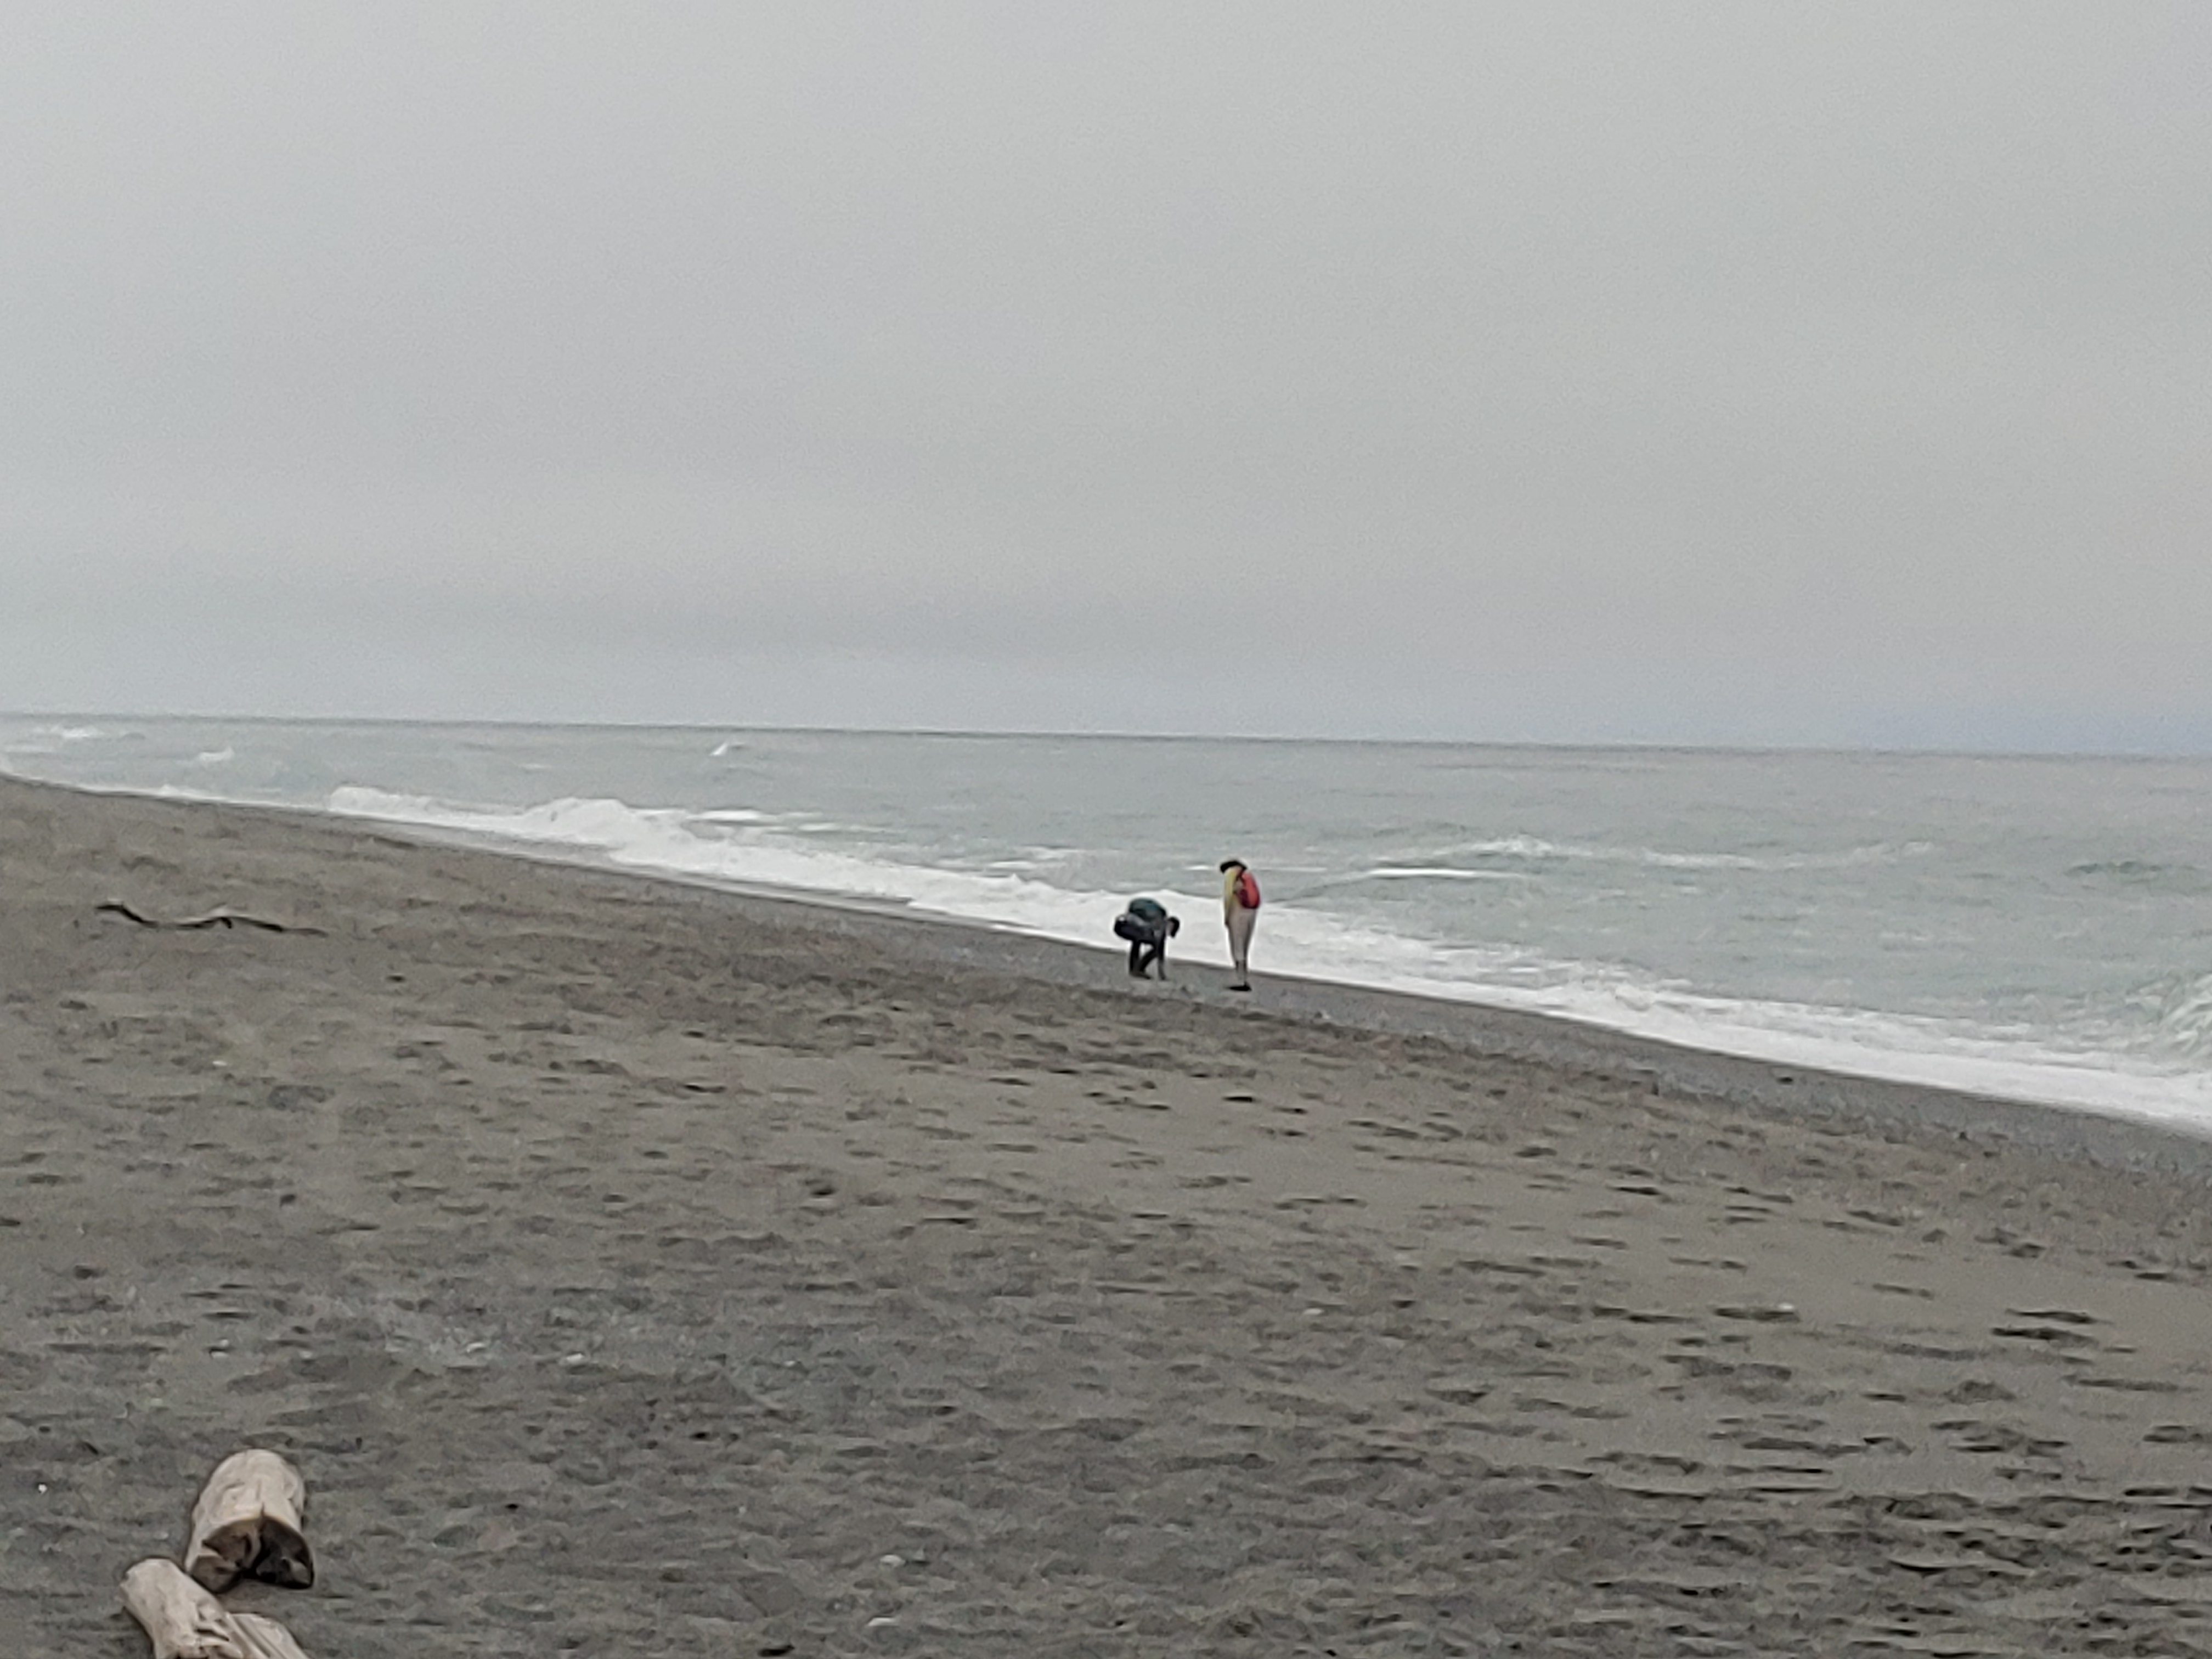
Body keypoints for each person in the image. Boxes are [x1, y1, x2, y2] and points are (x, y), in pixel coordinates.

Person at [1113, 896, 1180, 979]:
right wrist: (1162, 975)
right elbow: (1160, 950)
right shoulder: (1162, 923)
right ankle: (1137, 970)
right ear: (1172, 925)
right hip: (1125, 927)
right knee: (1141, 941)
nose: (1168, 934)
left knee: (1140, 940)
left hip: (1120, 924)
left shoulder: (1157, 918)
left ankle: (1136, 969)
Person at [1220, 858, 1260, 990]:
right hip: (1251, 913)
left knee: (1237, 946)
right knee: (1245, 947)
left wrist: (1226, 917)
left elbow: (1228, 896)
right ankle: (1245, 977)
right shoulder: (1248, 875)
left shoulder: (1231, 874)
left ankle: (1240, 980)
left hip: (1237, 912)